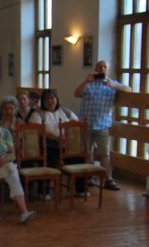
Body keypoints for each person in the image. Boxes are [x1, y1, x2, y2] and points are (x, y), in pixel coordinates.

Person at [74, 60, 131, 191]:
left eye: (105, 67)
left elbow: (128, 89)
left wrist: (114, 86)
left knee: (104, 153)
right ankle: (89, 177)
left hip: (103, 125)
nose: (102, 69)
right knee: (87, 152)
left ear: (108, 69)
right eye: (99, 66)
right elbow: (77, 93)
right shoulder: (89, 83)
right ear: (95, 69)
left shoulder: (112, 83)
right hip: (86, 124)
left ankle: (108, 179)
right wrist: (86, 81)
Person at [30, 89, 83, 193]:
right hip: (47, 145)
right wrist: (56, 137)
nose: (50, 101)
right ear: (43, 101)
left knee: (78, 158)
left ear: (56, 99)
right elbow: (38, 131)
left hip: (65, 144)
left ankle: (80, 189)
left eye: (52, 98)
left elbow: (76, 124)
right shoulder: (38, 113)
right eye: (46, 99)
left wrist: (68, 136)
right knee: (50, 160)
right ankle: (43, 191)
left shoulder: (65, 111)